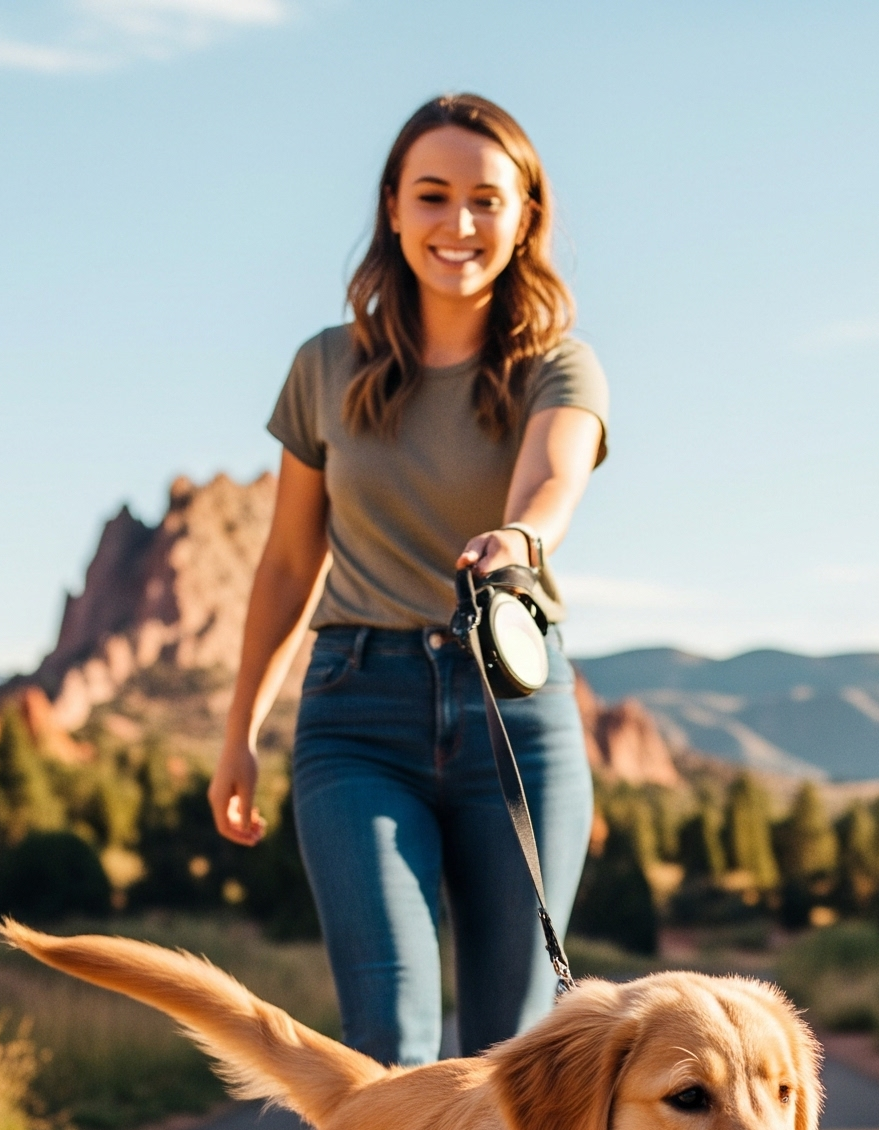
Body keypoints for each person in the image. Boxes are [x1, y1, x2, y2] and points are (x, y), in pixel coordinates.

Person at [210, 94, 607, 1067]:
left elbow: (554, 474)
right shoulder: (325, 368)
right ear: (393, 207)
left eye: (485, 200)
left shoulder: (558, 365)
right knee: (388, 1045)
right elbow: (288, 563)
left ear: (524, 218)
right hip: (357, 719)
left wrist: (517, 538)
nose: (458, 224)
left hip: (512, 716)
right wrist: (239, 731)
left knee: (516, 1054)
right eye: (432, 196)